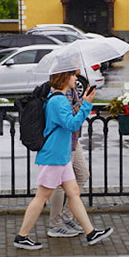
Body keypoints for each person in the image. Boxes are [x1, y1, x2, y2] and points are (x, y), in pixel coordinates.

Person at [14, 70, 113, 250]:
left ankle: (91, 232)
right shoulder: (58, 100)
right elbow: (72, 124)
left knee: (73, 192)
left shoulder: (57, 97)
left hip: (62, 155)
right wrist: (86, 105)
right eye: (74, 75)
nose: (76, 78)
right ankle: (22, 236)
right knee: (41, 197)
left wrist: (83, 101)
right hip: (54, 156)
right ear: (65, 77)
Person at [46, 85, 89, 238]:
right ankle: (55, 224)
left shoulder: (72, 89)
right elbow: (69, 119)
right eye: (74, 75)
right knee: (59, 184)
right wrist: (85, 102)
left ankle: (66, 215)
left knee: (82, 174)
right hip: (66, 141)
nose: (77, 78)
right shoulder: (62, 93)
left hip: (74, 140)